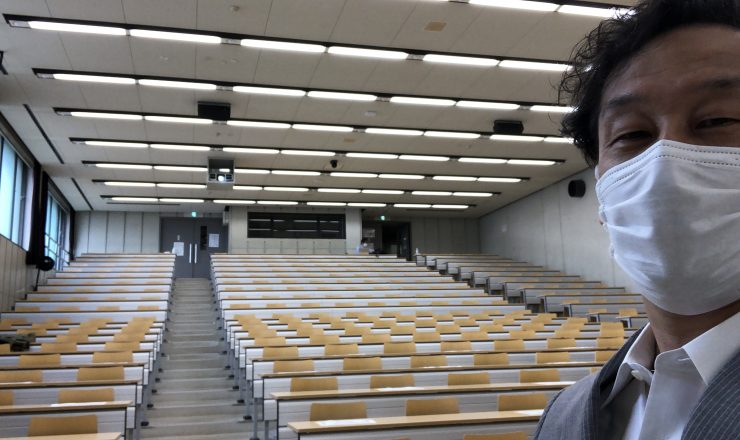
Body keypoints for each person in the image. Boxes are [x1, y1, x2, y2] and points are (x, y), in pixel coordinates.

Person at [534, 1, 740, 439]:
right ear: (603, 194)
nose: (665, 163)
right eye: (632, 134)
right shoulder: (562, 417)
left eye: (719, 120)